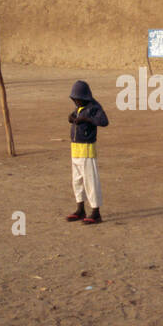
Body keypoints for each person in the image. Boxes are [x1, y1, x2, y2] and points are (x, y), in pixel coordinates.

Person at [66, 80, 108, 224]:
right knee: (77, 181)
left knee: (91, 182)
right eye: (74, 99)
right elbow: (72, 116)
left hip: (87, 151)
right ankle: (80, 209)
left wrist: (87, 119)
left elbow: (104, 121)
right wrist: (72, 118)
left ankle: (96, 212)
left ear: (84, 97)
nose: (76, 102)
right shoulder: (79, 107)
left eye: (77, 99)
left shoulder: (94, 107)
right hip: (75, 150)